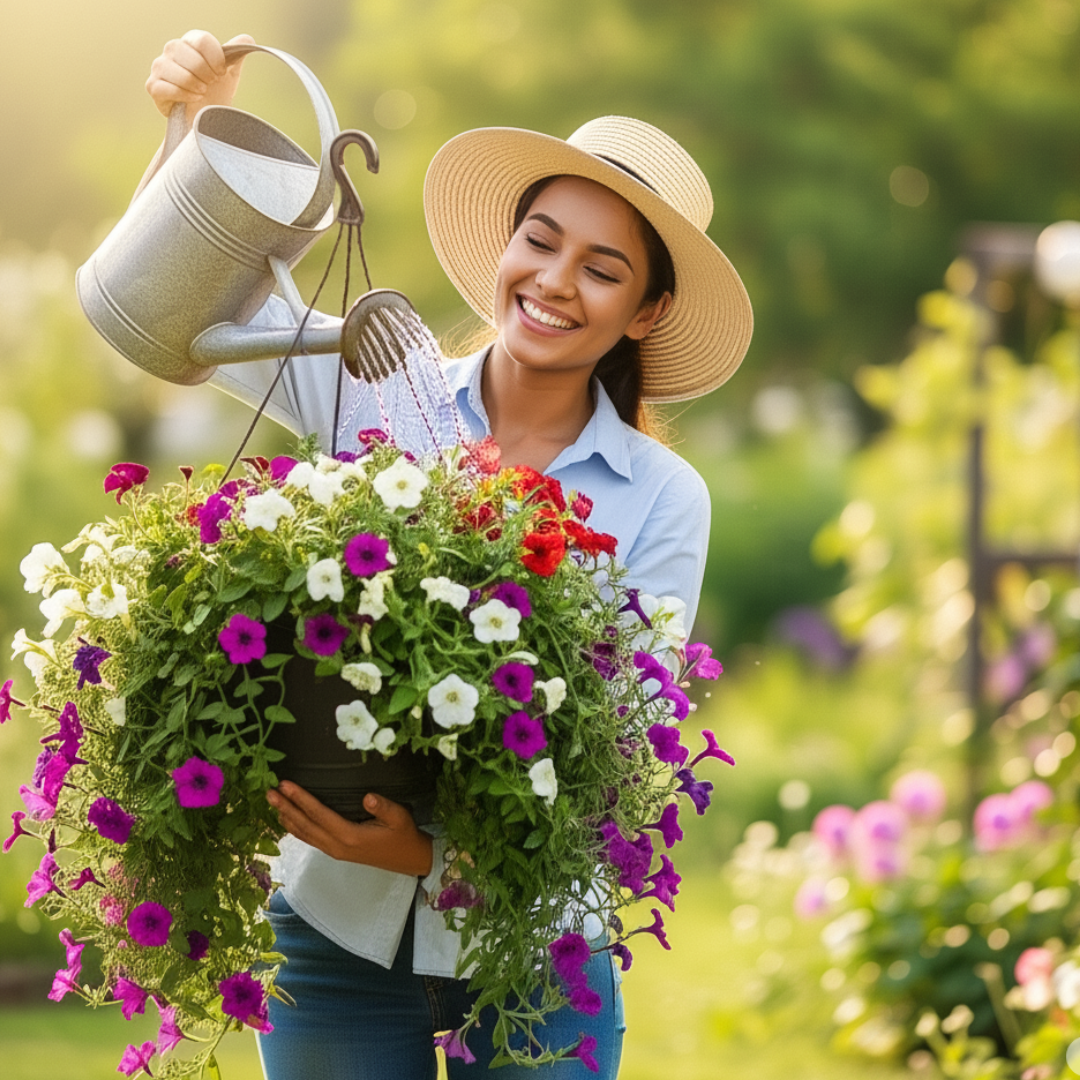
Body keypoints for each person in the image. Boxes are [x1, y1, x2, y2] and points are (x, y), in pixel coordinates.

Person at [144, 29, 752, 1080]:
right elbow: (199, 304)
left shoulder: (662, 498)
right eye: (541, 240)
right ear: (505, 244)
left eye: (602, 269)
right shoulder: (377, 376)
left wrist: (430, 857)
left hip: (532, 947)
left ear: (645, 310)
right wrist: (193, 134)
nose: (554, 281)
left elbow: (619, 746)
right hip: (331, 931)